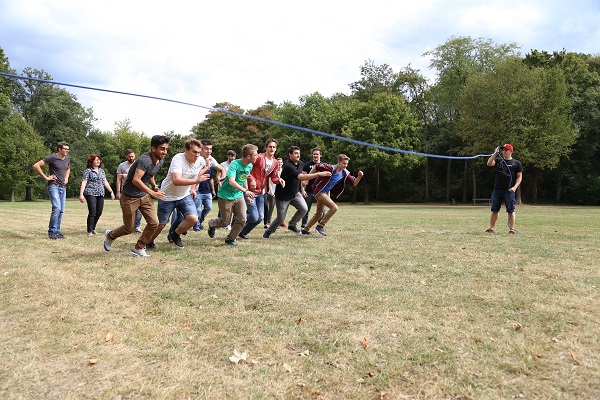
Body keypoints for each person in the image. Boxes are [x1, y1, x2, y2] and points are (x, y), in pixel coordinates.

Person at [103, 135, 170, 257]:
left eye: (166, 149)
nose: (164, 152)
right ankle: (110, 235)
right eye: (162, 149)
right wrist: (153, 192)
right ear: (153, 149)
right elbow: (136, 180)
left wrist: (154, 185)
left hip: (143, 196)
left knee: (154, 223)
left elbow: (150, 174)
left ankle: (139, 247)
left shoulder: (159, 160)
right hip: (129, 197)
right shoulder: (145, 160)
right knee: (129, 228)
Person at [148, 138, 211, 249]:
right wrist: (196, 182)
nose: (197, 155)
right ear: (186, 150)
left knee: (193, 218)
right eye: (194, 152)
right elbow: (176, 180)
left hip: (184, 195)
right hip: (167, 196)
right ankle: (149, 241)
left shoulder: (200, 160)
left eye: (198, 152)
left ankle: (175, 234)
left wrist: (192, 188)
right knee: (161, 224)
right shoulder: (178, 159)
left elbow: (195, 174)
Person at [262, 146, 331, 239]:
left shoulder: (301, 163)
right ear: (290, 155)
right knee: (280, 218)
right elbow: (301, 177)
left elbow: (304, 175)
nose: (298, 155)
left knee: (304, 208)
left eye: (299, 153)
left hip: (295, 193)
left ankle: (292, 224)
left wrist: (304, 184)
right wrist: (318, 174)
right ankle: (268, 232)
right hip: (283, 196)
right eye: (295, 153)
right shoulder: (288, 166)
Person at [207, 144, 258, 246]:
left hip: (238, 196)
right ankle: (212, 224)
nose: (257, 156)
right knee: (225, 222)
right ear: (248, 156)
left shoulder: (249, 165)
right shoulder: (235, 164)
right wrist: (245, 191)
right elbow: (231, 181)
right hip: (225, 196)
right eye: (255, 155)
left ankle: (230, 238)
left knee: (243, 219)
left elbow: (243, 179)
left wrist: (246, 194)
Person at [301, 154, 363, 236]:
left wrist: (359, 176)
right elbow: (316, 166)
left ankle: (305, 229)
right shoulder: (330, 168)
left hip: (325, 193)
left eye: (347, 164)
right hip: (319, 191)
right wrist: (307, 179)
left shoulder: (345, 173)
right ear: (339, 162)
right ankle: (320, 226)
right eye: (344, 163)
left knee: (319, 213)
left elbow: (354, 183)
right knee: (334, 208)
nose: (345, 165)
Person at [238, 139, 284, 239]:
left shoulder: (275, 162)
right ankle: (239, 219)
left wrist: (279, 180)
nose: (272, 149)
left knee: (260, 218)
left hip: (261, 192)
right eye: (270, 146)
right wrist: (252, 179)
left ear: (276, 149)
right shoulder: (259, 158)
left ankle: (243, 233)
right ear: (266, 148)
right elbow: (246, 168)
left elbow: (274, 177)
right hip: (251, 191)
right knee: (254, 217)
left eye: (274, 147)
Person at [33, 141, 71, 239]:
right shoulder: (52, 157)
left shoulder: (67, 158)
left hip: (63, 187)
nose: (67, 151)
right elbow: (36, 165)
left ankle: (57, 232)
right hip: (54, 186)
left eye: (68, 149)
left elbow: (68, 168)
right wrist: (46, 177)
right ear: (59, 149)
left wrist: (67, 178)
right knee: (57, 208)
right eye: (65, 149)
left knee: (61, 210)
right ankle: (52, 232)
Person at [485, 143, 523, 235]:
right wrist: (494, 154)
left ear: (511, 151)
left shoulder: (516, 163)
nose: (504, 151)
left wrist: (514, 187)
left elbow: (519, 177)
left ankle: (512, 230)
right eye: (503, 150)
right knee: (494, 210)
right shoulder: (498, 161)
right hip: (497, 190)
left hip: (509, 191)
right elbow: (489, 163)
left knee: (511, 210)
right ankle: (491, 228)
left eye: (506, 150)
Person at [79, 154, 115, 236]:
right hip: (90, 193)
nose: (98, 161)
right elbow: (84, 182)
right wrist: (81, 194)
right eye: (96, 160)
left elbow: (105, 182)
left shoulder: (102, 171)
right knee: (92, 212)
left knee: (99, 212)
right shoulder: (88, 171)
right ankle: (89, 231)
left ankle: (93, 228)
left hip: (100, 193)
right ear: (91, 161)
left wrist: (111, 191)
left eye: (99, 159)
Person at [116, 149, 143, 233]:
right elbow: (118, 179)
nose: (131, 158)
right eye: (129, 156)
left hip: (138, 189)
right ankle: (127, 226)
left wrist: (127, 175)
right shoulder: (122, 166)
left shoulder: (139, 164)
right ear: (126, 157)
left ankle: (136, 226)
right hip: (127, 191)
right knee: (127, 210)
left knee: (139, 210)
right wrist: (118, 192)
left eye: (132, 156)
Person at [301, 147, 323, 229]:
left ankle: (319, 226)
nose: (315, 155)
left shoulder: (324, 166)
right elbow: (302, 178)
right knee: (306, 209)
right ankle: (304, 226)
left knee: (322, 211)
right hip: (309, 191)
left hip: (320, 191)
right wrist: (303, 190)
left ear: (320, 155)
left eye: (317, 154)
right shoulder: (307, 165)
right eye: (314, 154)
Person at [264, 157, 283, 229]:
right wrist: (272, 193)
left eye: (281, 162)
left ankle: (278, 222)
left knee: (280, 208)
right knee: (271, 208)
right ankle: (268, 222)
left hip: (280, 193)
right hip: (272, 192)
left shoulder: (283, 171)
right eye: (278, 162)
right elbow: (269, 183)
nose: (279, 163)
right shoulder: (273, 171)